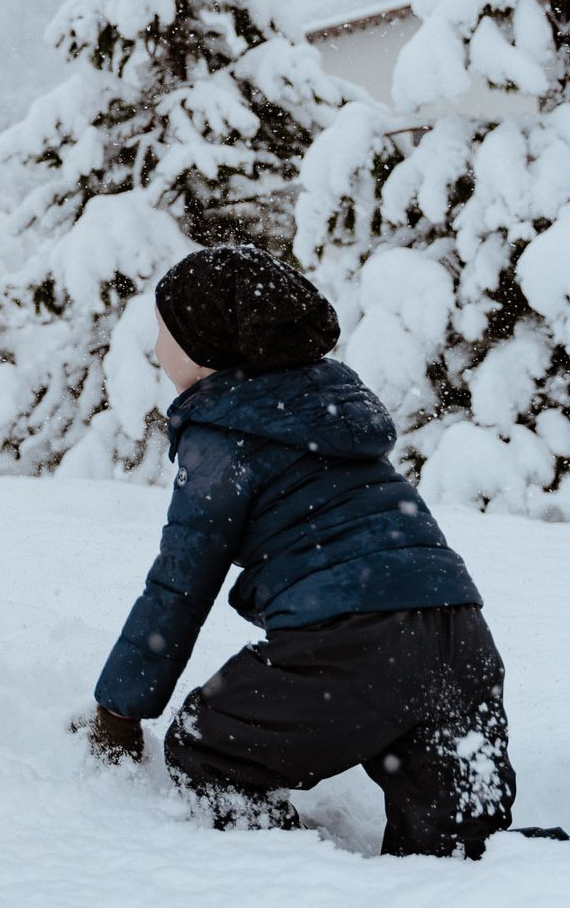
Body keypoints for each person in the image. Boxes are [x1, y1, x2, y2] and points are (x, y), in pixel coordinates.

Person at [80, 244, 516, 857]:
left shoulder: (226, 435)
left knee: (210, 748)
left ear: (208, 348)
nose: (156, 350)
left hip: (349, 644)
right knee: (460, 852)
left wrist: (118, 713)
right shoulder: (329, 414)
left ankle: (295, 881)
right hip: (460, 635)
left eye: (164, 332)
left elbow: (178, 587)